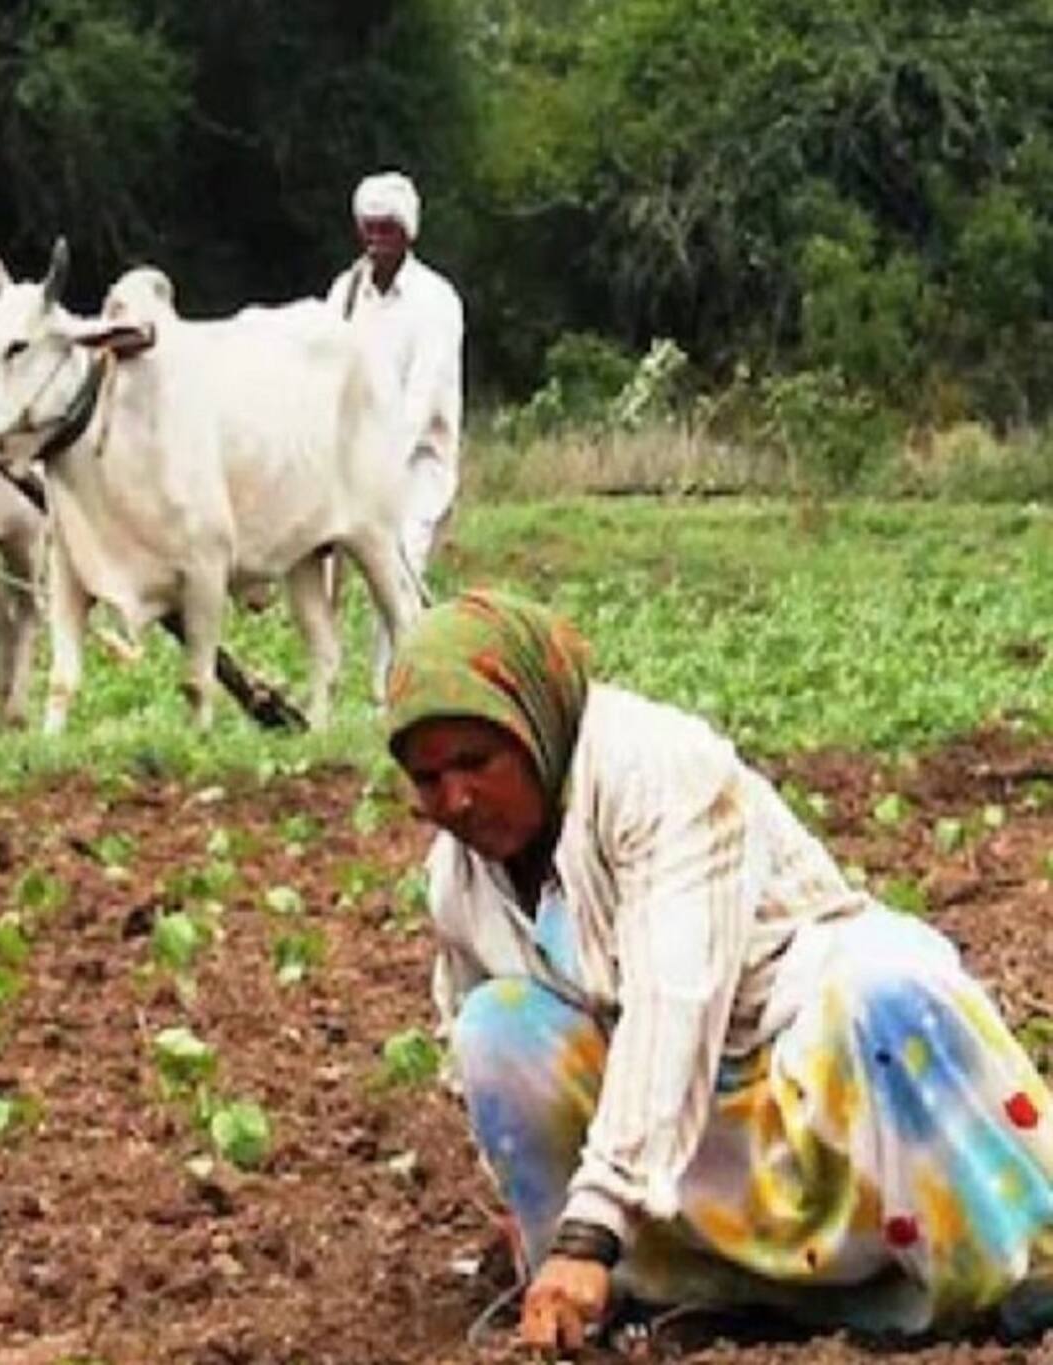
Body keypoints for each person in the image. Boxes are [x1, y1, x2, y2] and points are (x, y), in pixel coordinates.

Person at [383, 589, 1053, 1351]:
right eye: (428, 778)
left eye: (477, 762)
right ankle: (650, 1293)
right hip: (670, 1137)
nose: (457, 799)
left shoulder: (661, 772)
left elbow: (674, 1004)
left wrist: (590, 1229)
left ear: (535, 722)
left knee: (887, 996)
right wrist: (532, 1206)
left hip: (801, 1063)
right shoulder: (458, 879)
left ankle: (1003, 1283)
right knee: (496, 1026)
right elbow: (471, 1037)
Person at [326, 171, 465, 590]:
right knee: (324, 572)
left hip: (416, 461)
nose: (376, 240)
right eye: (369, 228)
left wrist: (381, 464)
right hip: (351, 461)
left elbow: (422, 398)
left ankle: (400, 638)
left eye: (387, 229)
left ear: (407, 233)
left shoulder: (435, 300)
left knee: (400, 564)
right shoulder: (346, 293)